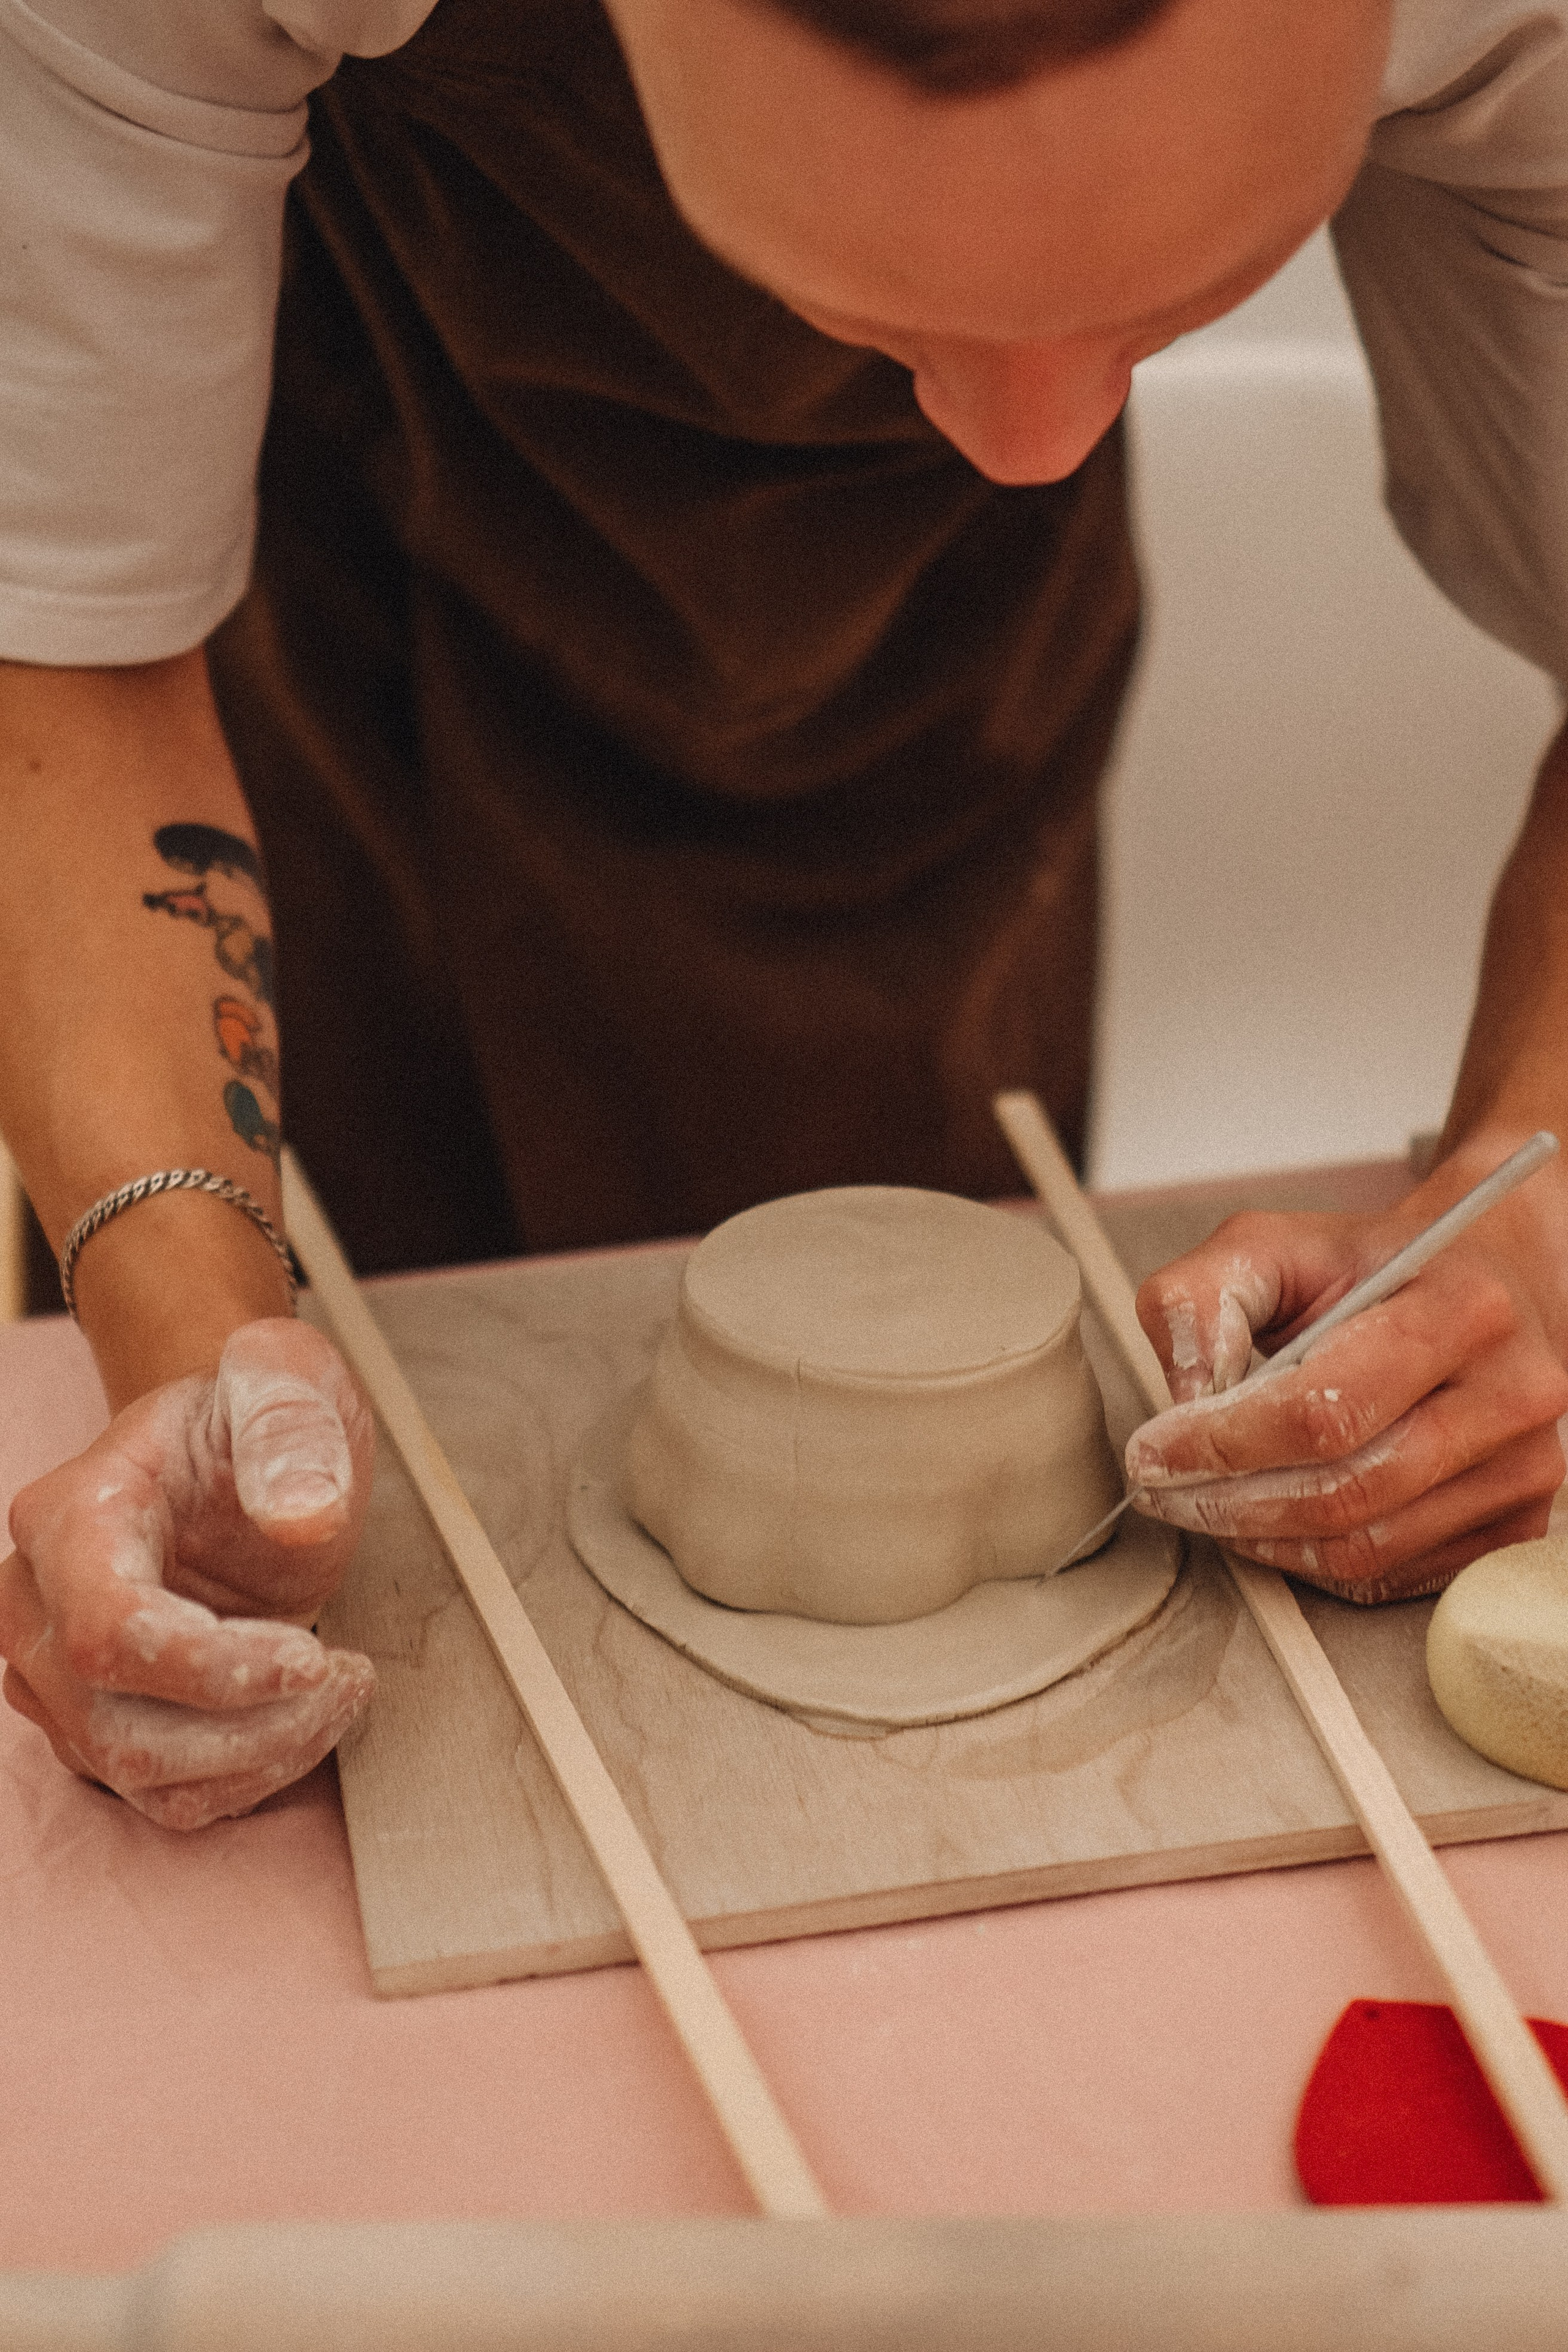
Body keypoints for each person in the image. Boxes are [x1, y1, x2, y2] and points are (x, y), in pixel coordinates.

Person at [3, 0, 1568, 1830]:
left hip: (918, 698)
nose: (1036, 444)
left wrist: (1533, 1192)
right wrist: (193, 1358)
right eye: (885, 310)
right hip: (354, 550)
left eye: (1189, 290)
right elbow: (65, 623)